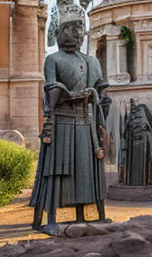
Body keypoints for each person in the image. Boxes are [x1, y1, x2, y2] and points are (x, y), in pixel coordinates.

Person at [30, 18, 110, 235]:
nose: (72, 36)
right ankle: (50, 219)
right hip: (62, 123)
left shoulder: (91, 61)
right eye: (67, 32)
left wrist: (101, 99)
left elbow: (99, 91)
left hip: (85, 124)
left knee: (86, 170)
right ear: (59, 35)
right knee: (57, 171)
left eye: (76, 33)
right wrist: (72, 95)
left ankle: (91, 215)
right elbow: (51, 89)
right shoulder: (53, 59)